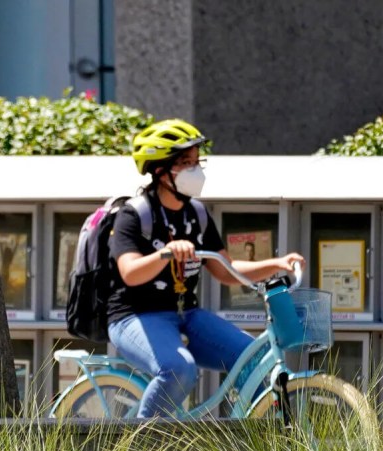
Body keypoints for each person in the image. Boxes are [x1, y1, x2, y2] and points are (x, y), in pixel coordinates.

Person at [107, 119, 305, 418]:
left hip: (186, 313)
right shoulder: (134, 215)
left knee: (253, 358)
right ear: (160, 171)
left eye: (197, 162)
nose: (195, 170)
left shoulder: (197, 214)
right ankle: (139, 449)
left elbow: (226, 269)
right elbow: (130, 273)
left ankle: (250, 442)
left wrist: (276, 263)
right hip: (134, 316)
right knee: (178, 369)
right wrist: (165, 254)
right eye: (186, 163)